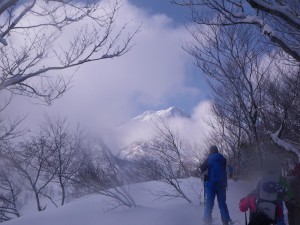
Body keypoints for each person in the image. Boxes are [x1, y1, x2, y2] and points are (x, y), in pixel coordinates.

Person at [200, 145, 233, 225]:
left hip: (211, 185)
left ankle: (207, 221)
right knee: (222, 204)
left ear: (210, 151)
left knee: (209, 204)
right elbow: (226, 170)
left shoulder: (209, 158)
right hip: (221, 185)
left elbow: (201, 169)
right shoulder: (223, 159)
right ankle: (226, 221)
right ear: (217, 151)